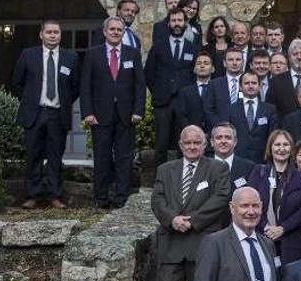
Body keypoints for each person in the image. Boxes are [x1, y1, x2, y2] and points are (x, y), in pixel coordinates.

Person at [150, 125, 229, 281]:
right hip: (171, 243)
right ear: (181, 144)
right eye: (188, 143)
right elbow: (157, 199)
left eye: (197, 143)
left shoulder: (218, 168)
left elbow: (221, 198)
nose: (193, 147)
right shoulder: (166, 169)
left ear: (205, 145)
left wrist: (192, 221)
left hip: (202, 243)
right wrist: (172, 219)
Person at [13, 19, 80, 210]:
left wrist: (63, 103)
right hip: (35, 113)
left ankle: (54, 196)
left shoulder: (71, 57)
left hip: (57, 114)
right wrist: (30, 101)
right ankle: (32, 196)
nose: (53, 35)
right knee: (33, 155)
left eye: (56, 32)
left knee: (55, 157)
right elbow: (17, 82)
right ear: (41, 34)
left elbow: (75, 88)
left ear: (60, 35)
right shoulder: (28, 55)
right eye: (49, 32)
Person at [80, 16, 146, 209]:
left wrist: (138, 110)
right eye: (112, 29)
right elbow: (85, 86)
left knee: (124, 158)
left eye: (119, 29)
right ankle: (101, 198)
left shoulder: (132, 54)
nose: (116, 32)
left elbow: (140, 85)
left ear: (123, 32)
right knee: (101, 157)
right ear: (105, 32)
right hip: (100, 115)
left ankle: (121, 197)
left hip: (126, 116)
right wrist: (87, 113)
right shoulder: (93, 54)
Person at [246, 130, 301, 265]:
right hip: (262, 237)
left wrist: (283, 228)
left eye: (286, 144)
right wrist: (266, 227)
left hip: (292, 242)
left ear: (291, 149)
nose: (281, 149)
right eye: (277, 145)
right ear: (270, 148)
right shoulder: (258, 172)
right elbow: (250, 203)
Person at [145, 8, 199, 168]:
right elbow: (148, 73)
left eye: (180, 20)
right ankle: (159, 182)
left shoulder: (193, 48)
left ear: (185, 23)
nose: (177, 24)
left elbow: (195, 74)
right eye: (174, 20)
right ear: (169, 23)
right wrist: (158, 91)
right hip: (163, 103)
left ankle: (184, 180)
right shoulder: (158, 47)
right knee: (161, 145)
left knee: (184, 144)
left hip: (184, 103)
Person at [228, 71, 278, 163]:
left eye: (254, 83)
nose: (250, 86)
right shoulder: (231, 109)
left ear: (259, 86)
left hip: (262, 160)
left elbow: (273, 136)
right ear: (240, 87)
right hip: (238, 159)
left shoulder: (269, 109)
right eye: (247, 83)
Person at [208, 122, 255, 195]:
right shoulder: (202, 166)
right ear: (212, 142)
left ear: (235, 142)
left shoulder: (249, 167)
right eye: (219, 137)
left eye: (228, 137)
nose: (223, 141)